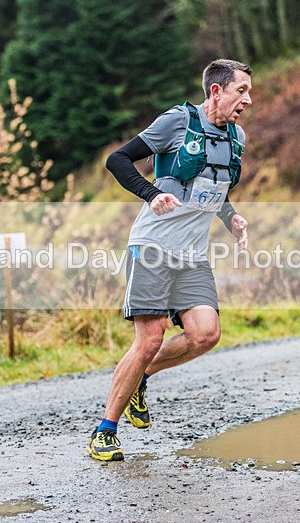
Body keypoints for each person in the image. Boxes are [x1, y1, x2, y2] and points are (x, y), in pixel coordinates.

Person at [87, 59, 253, 461]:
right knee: (150, 339)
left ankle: (141, 376)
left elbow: (213, 190)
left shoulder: (237, 137)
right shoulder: (177, 122)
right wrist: (150, 194)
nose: (248, 100)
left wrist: (232, 219)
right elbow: (118, 160)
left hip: (192, 255)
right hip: (153, 247)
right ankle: (104, 430)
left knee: (205, 334)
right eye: (241, 91)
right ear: (216, 91)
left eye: (249, 91)